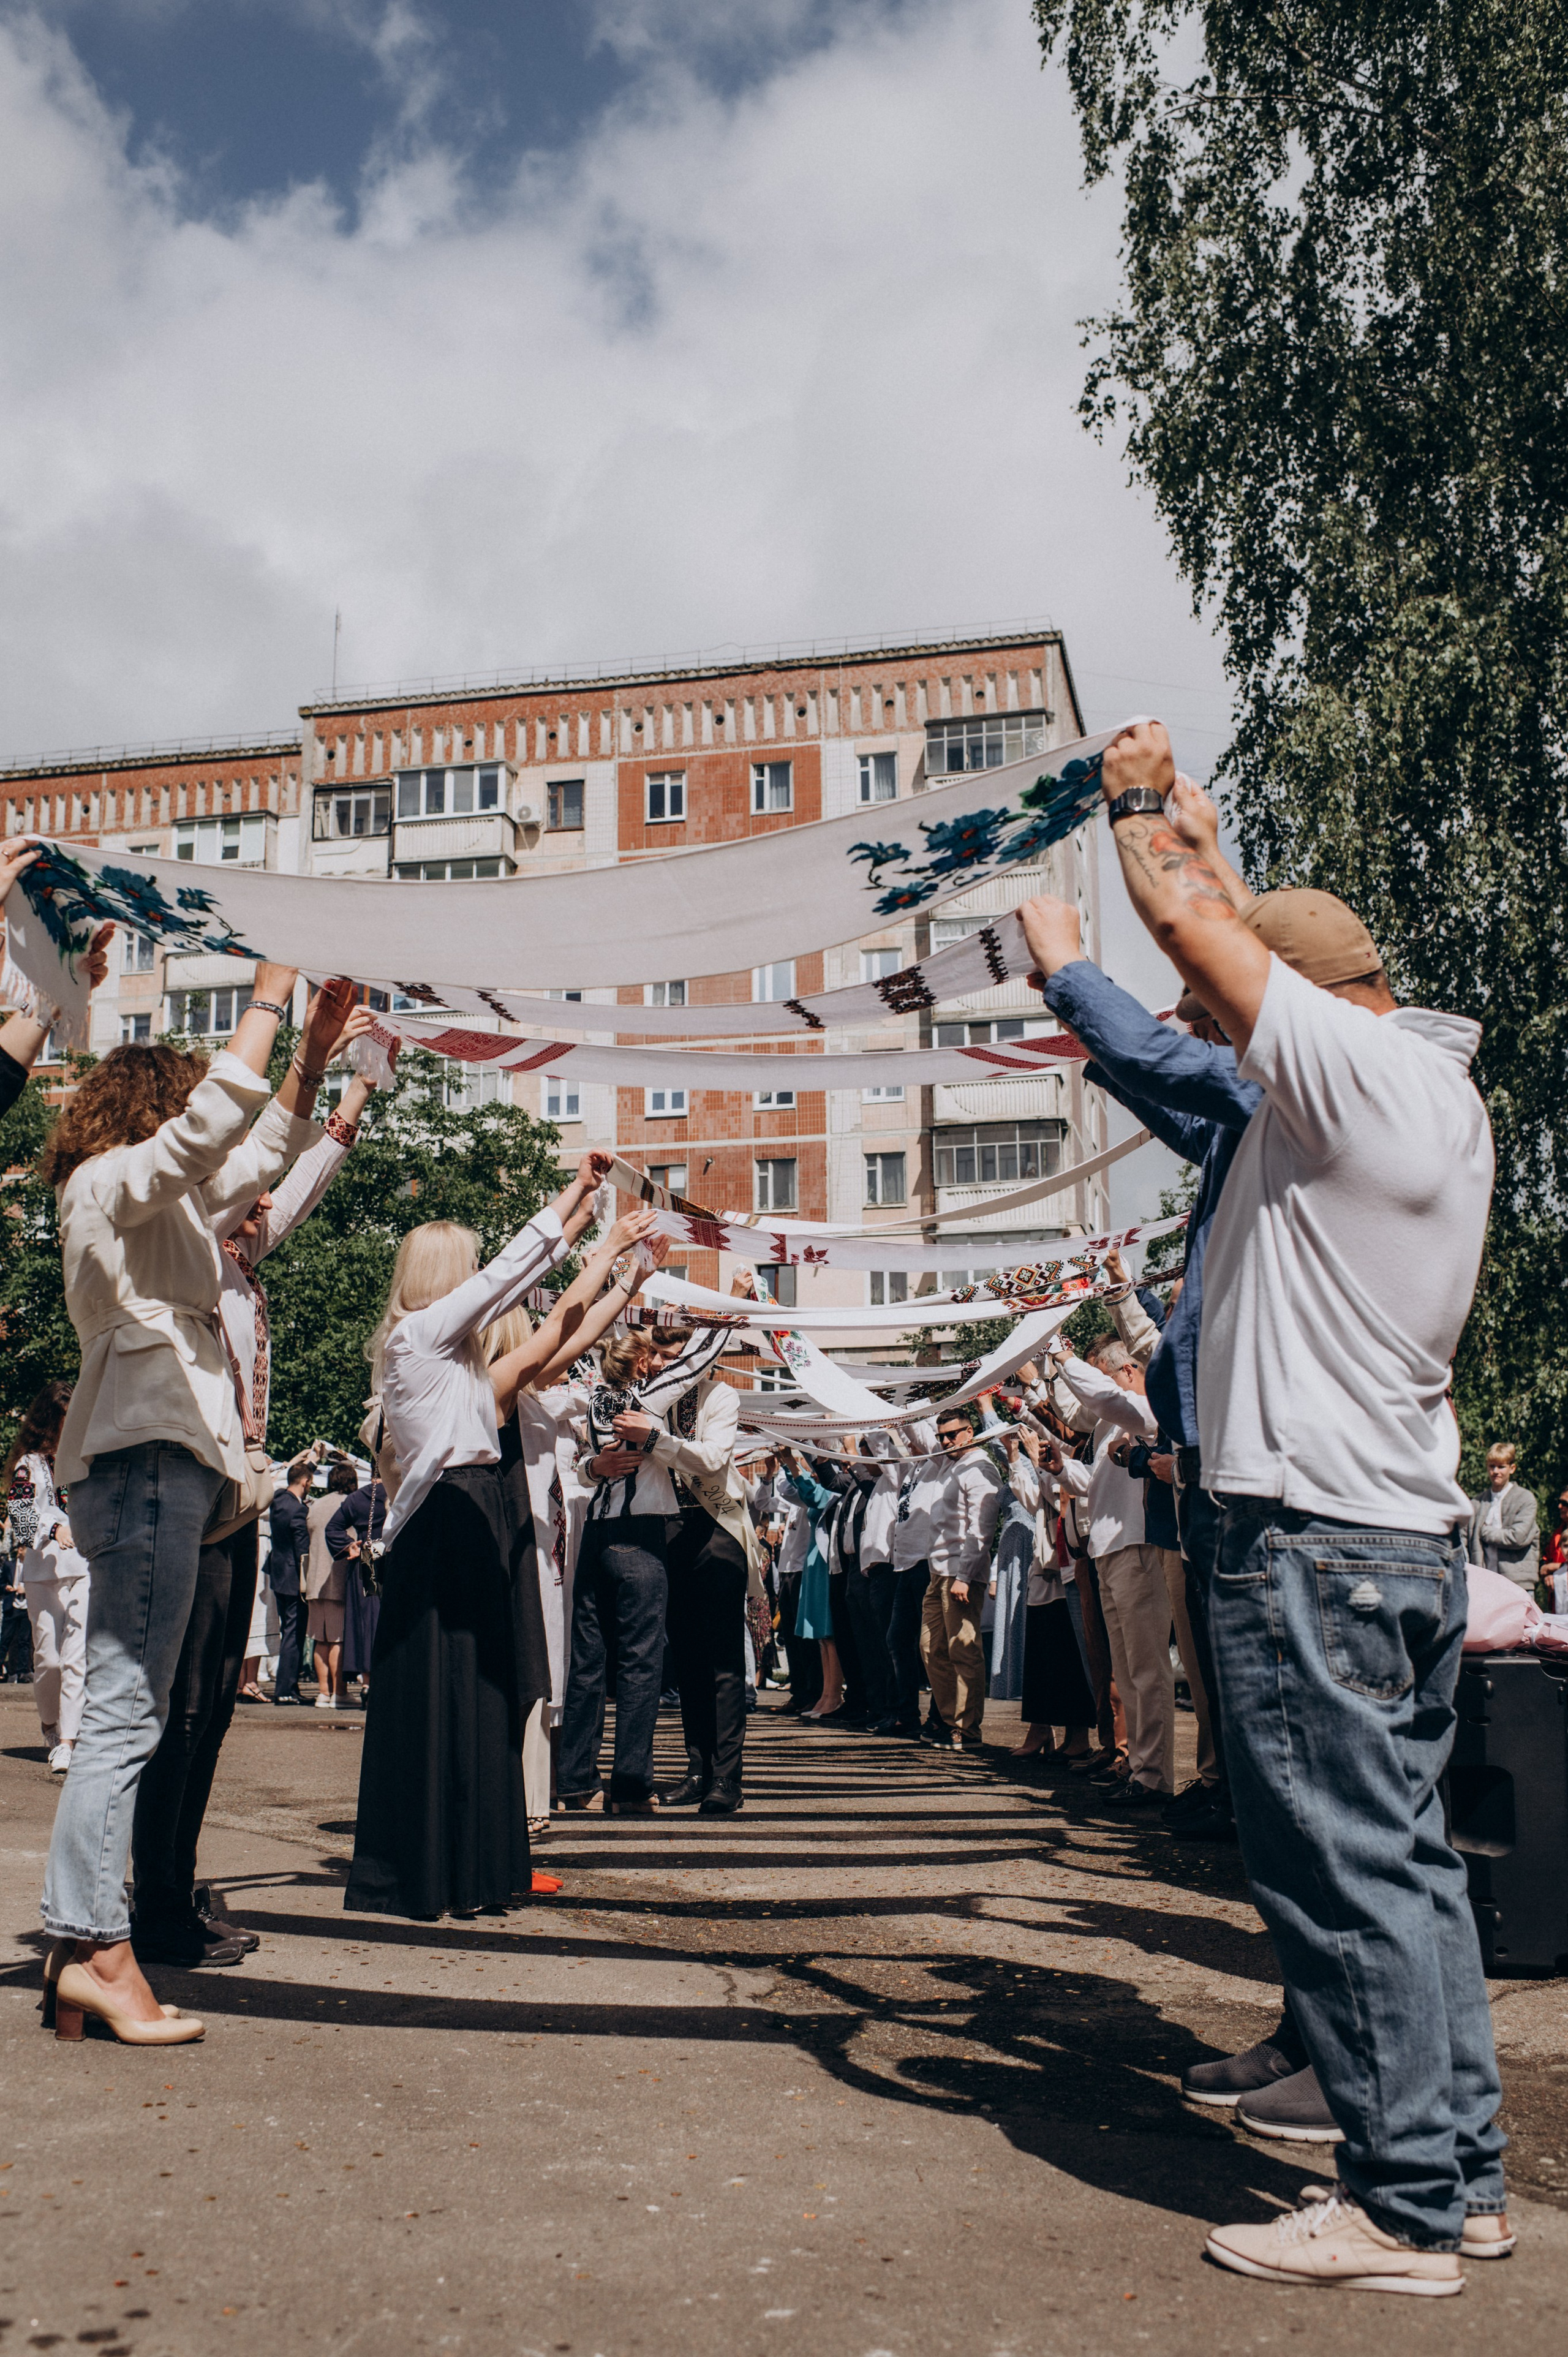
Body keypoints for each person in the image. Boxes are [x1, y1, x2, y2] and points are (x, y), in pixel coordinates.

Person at [1060, 718, 1505, 2292]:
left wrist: (1130, 808)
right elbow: (1242, 940)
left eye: (1232, 1015)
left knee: (1340, 1870)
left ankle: (1395, 2208)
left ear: (1300, 1008)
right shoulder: (1410, 1090)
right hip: (1383, 1533)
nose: (1210, 1034)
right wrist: (1205, 837)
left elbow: (1201, 936)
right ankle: (1456, 2177)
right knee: (1403, 1865)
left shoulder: (1350, 1080)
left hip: (1310, 1534)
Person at [37, 960, 323, 2046]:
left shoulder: (154, 1210)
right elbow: (213, 1135)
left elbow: (256, 1152)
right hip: (148, 1454)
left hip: (155, 1458)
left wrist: (312, 1057)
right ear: (156, 1106)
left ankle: (84, 1948)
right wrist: (267, 1000)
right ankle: (93, 1947)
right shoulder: (106, 1184)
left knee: (133, 1706)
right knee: (126, 1709)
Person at [343, 1152, 612, 1916]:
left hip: (462, 1517)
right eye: (465, 1266)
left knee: (477, 1696)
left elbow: (540, 1315)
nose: (476, 1280)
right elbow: (508, 1277)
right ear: (444, 1275)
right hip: (446, 1519)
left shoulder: (444, 1353)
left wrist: (588, 1228)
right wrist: (574, 1199)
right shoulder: (419, 1337)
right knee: (454, 1693)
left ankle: (470, 1866)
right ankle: (441, 1869)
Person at [1049, 1335, 1174, 1806]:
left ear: (1127, 1371)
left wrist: (1062, 1355)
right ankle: (1139, 1768)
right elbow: (1094, 1479)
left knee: (1146, 1669)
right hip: (1108, 1549)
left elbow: (1101, 1397)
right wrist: (1060, 1469)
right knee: (1126, 1669)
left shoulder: (1145, 1408)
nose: (1094, 1386)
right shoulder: (1109, 1423)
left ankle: (1154, 1776)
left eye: (1100, 1374)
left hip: (1135, 1545)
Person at [4, 1382, 90, 1774]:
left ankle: (69, 1740)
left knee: (76, 1655)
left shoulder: (88, 1458)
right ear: (49, 1420)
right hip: (43, 1570)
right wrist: (54, 1530)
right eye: (64, 1418)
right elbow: (20, 1513)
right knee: (49, 1659)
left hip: (86, 1566)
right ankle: (50, 1725)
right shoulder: (29, 1464)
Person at [1000, 1423, 1095, 1761]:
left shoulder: (1074, 1459)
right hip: (1046, 1569)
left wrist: (1036, 1460)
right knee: (1042, 1656)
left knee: (1069, 1658)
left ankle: (1078, 1736)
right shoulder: (1049, 1467)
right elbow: (1033, 1501)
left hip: (1068, 1567)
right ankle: (1041, 1728)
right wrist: (1015, 1456)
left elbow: (1059, 1497)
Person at [921, 1409, 1004, 1752]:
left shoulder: (980, 1467)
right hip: (938, 1570)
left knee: (964, 1649)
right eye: (941, 1436)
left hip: (961, 1572)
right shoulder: (949, 1464)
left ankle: (967, 1729)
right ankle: (949, 1721)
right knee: (931, 1647)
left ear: (970, 1432)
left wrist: (966, 1576)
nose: (945, 1442)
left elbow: (981, 1528)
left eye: (952, 1435)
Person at [306, 1462, 361, 1708]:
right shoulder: (351, 1504)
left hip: (314, 1581)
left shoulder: (316, 1505)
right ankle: (340, 1693)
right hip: (338, 1579)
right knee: (338, 1639)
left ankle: (323, 1693)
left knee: (320, 1639)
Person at [266, 1458, 314, 1705]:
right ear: (305, 1483)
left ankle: (289, 1687)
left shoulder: (278, 1500)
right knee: (294, 1634)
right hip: (294, 1578)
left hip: (278, 1574)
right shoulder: (298, 1510)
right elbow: (302, 1551)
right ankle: (286, 1689)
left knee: (288, 1630)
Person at [1466, 1444, 1539, 1592]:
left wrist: (1485, 1532)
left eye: (1501, 1467)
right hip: (1484, 1582)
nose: (1495, 1472)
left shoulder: (1525, 1499)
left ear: (1512, 1468)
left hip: (1517, 1583)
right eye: (1492, 1466)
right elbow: (1463, 1539)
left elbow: (1518, 1537)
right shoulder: (1477, 1503)